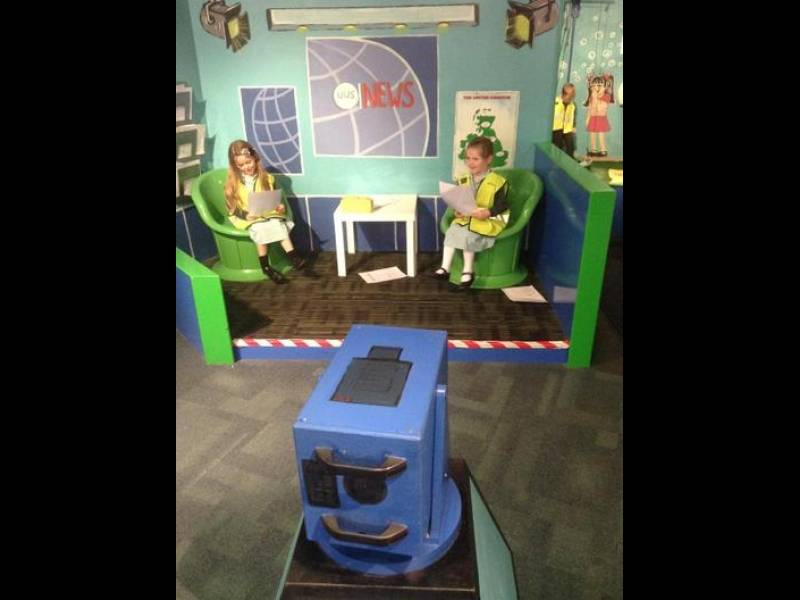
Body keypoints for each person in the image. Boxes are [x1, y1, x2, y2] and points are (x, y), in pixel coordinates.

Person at [431, 136, 510, 290]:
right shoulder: (463, 180)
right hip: (468, 218)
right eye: (467, 158)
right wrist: (458, 211)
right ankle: (445, 268)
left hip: (489, 219)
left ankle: (468, 270)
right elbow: (460, 202)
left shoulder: (498, 182)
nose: (470, 162)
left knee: (469, 235)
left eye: (475, 159)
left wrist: (488, 212)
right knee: (452, 231)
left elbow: (502, 205)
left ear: (488, 159)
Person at [223, 140, 305, 284]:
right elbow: (231, 208)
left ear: (255, 159)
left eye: (248, 162)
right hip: (247, 216)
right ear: (235, 166)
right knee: (260, 229)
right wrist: (245, 215)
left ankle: (293, 257)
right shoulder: (233, 184)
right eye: (241, 165)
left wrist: (279, 207)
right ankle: (265, 267)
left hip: (266, 213)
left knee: (278, 224)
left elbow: (274, 200)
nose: (246, 167)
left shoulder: (267, 178)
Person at [585, 74, 614, 157]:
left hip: (601, 119)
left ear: (605, 87)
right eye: (594, 86)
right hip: (593, 118)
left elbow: (600, 108)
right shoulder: (592, 97)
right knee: (592, 134)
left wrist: (595, 98)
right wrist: (587, 119)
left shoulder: (606, 97)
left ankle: (603, 150)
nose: (596, 88)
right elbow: (590, 109)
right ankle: (593, 150)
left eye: (600, 86)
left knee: (601, 136)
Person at [552, 83, 577, 159]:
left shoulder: (572, 105)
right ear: (564, 94)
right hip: (556, 129)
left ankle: (570, 162)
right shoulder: (555, 102)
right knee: (557, 147)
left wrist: (573, 127)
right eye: (570, 96)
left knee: (571, 147)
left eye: (572, 96)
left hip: (567, 129)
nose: (571, 98)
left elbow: (572, 117)